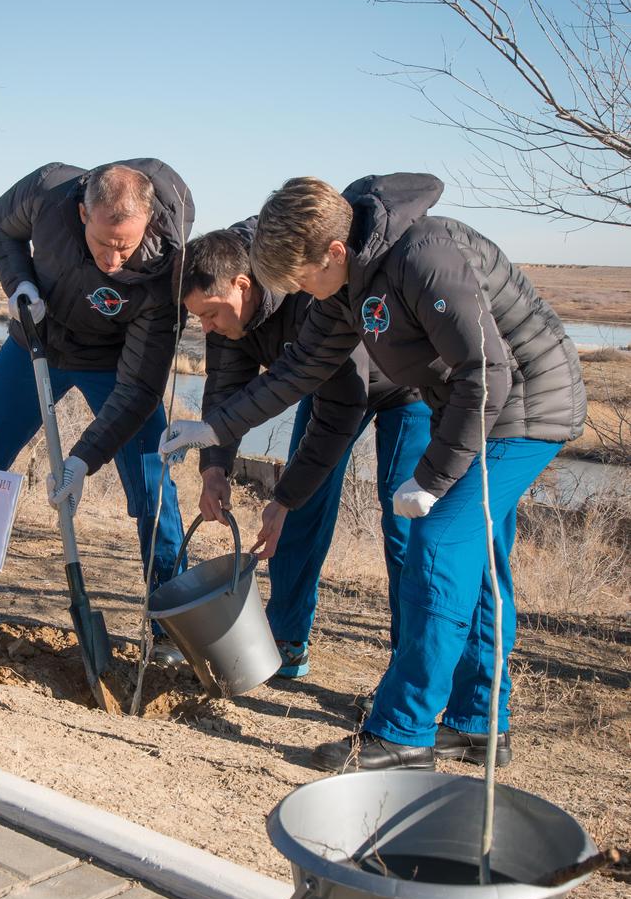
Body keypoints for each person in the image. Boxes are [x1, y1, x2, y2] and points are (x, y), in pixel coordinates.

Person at [162, 174, 585, 768]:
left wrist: (432, 477)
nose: (302, 293)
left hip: (523, 409)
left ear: (334, 251)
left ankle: (402, 734)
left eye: (302, 279)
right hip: (479, 409)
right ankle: (478, 723)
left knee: (435, 549)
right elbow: (298, 370)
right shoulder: (349, 285)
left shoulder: (425, 255)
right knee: (478, 560)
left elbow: (487, 373)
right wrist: (215, 431)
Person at [0, 159, 194, 664]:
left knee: (152, 483)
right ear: (81, 212)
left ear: (149, 222)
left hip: (117, 364)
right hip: (37, 342)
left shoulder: (167, 268)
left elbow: (140, 384)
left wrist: (81, 461)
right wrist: (20, 283)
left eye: (126, 246)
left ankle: (170, 624)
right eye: (103, 244)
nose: (115, 259)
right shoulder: (49, 191)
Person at [177, 222, 430, 681]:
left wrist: (286, 495)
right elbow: (224, 391)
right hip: (326, 388)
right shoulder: (228, 314)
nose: (206, 327)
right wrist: (214, 469)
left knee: (405, 524)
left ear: (243, 286)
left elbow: (345, 403)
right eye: (199, 317)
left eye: (211, 314)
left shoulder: (304, 287)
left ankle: (409, 666)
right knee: (296, 512)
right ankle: (287, 640)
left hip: (405, 388)